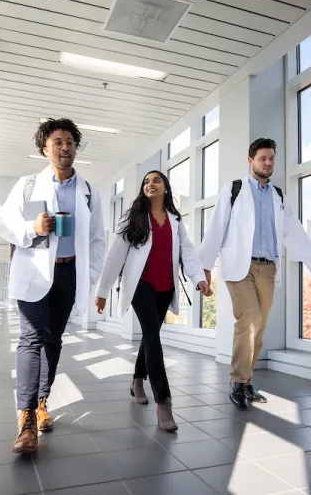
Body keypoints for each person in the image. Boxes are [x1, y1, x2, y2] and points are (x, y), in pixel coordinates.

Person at [0, 118, 106, 453]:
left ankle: (42, 399)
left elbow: (98, 240)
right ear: (45, 148)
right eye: (57, 142)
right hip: (33, 271)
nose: (65, 147)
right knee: (31, 339)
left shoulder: (89, 192)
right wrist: (32, 227)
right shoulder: (28, 185)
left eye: (70, 141)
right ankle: (26, 418)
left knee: (53, 339)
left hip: (69, 275)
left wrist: (87, 277)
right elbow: (5, 225)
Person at [200, 138, 311, 408]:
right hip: (240, 266)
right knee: (249, 320)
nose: (268, 163)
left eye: (271, 158)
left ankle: (247, 382)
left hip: (268, 268)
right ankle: (237, 382)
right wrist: (204, 266)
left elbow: (294, 233)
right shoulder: (234, 189)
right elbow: (216, 227)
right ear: (251, 161)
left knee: (259, 328)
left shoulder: (278, 196)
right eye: (262, 158)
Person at [95, 170, 212, 431]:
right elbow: (115, 255)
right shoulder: (133, 218)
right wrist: (102, 289)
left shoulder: (175, 221)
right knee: (153, 337)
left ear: (166, 189)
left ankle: (137, 379)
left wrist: (198, 279)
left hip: (166, 287)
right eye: (147, 182)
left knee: (151, 336)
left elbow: (188, 253)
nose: (151, 184)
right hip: (141, 285)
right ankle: (164, 403)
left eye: (156, 180)